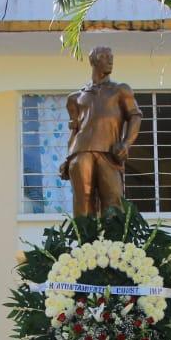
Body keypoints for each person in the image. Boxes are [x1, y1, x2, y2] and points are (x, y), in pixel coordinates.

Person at [58, 46, 143, 217]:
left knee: (113, 202)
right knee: (83, 202)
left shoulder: (121, 90)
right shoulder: (75, 98)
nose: (110, 60)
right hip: (80, 152)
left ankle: (114, 236)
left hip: (109, 152)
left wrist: (126, 144)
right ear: (93, 61)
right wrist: (68, 159)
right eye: (104, 56)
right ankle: (84, 235)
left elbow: (135, 116)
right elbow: (74, 130)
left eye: (111, 56)